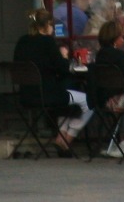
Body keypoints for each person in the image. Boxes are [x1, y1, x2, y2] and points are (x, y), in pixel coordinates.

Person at [12, 10, 92, 155]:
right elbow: (63, 69)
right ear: (47, 25)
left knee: (67, 98)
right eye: (52, 25)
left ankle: (60, 138)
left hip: (26, 94)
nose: (53, 28)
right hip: (47, 94)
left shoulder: (22, 41)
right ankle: (66, 140)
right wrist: (64, 55)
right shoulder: (47, 42)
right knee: (90, 100)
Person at [92, 18, 124, 159]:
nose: (123, 39)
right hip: (120, 100)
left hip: (106, 99)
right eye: (121, 36)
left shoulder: (101, 55)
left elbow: (119, 68)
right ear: (115, 39)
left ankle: (121, 142)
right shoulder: (118, 55)